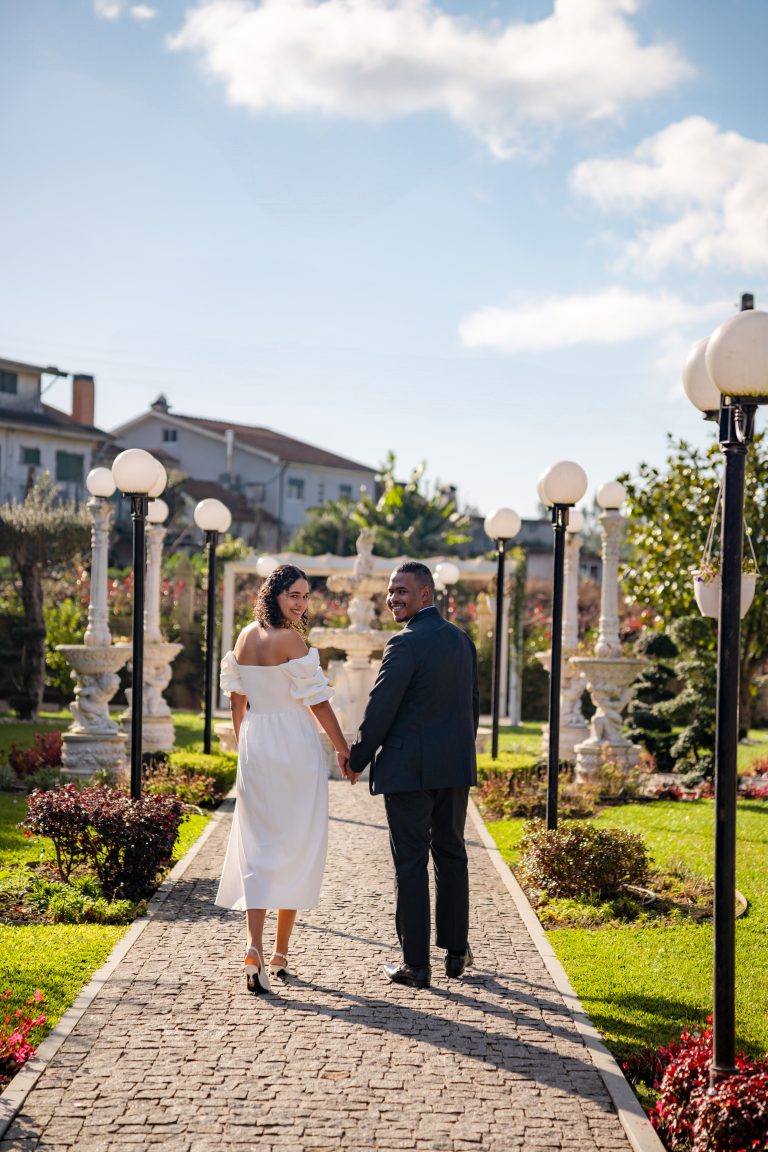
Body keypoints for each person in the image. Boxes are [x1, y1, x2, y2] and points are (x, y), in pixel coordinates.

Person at [215, 564, 350, 994]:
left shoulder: (244, 636)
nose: (300, 603)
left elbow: (239, 700)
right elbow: (318, 704)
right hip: (293, 743)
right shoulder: (291, 639)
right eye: (293, 594)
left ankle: (255, 949)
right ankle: (278, 953)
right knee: (296, 843)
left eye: (305, 596)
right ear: (273, 594)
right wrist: (344, 749)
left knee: (258, 846)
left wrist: (244, 744)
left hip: (257, 741)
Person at [345, 562, 479, 989]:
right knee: (452, 855)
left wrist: (357, 757)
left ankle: (416, 965)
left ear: (427, 594)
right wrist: (458, 754)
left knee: (410, 863)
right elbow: (470, 710)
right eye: (390, 591)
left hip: (409, 773)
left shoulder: (404, 644)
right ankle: (456, 953)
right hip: (453, 769)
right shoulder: (462, 641)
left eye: (402, 590)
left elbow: (381, 708)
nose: (392, 598)